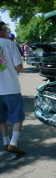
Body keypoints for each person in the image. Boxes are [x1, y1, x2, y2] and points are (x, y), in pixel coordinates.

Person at [0, 21, 25, 154]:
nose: (6, 32)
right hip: (11, 88)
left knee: (1, 118)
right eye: (5, 30)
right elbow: (18, 67)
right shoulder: (10, 44)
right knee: (18, 117)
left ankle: (5, 142)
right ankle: (13, 143)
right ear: (2, 31)